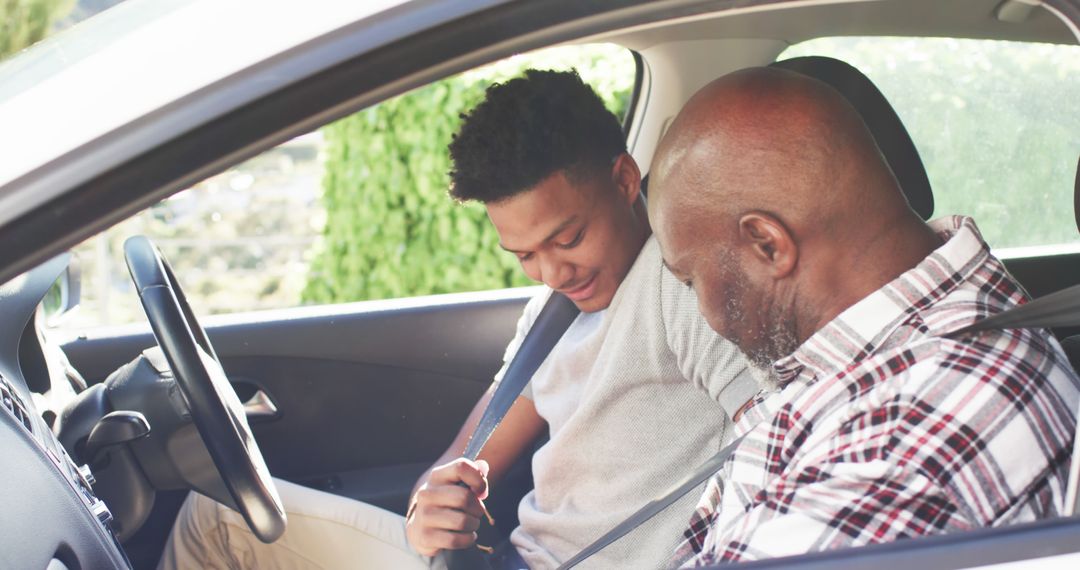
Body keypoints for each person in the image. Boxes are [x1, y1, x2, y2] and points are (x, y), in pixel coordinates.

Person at [158, 69, 758, 570]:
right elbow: (461, 461)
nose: (552, 273)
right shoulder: (551, 318)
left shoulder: (681, 286)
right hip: (506, 560)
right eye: (524, 255)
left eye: (568, 238)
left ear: (625, 180)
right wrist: (431, 511)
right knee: (217, 514)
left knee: (218, 526)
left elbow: (778, 445)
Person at [645, 66, 1080, 566]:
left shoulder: (896, 448)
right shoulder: (921, 331)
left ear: (767, 244)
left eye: (690, 280)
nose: (702, 311)